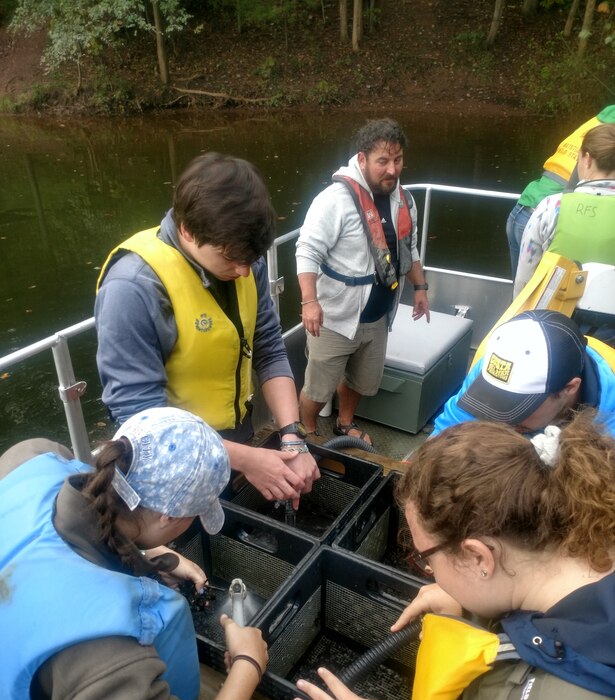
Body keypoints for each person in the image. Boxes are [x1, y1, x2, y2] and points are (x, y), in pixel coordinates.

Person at [294, 411, 615, 700]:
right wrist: (475, 609)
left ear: (479, 555)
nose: (430, 574)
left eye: (426, 559)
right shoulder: (593, 536)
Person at [0, 407, 269, 700]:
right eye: (194, 515)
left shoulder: (31, 457)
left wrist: (142, 551)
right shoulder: (107, 664)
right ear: (169, 518)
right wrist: (246, 669)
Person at [95, 152, 319, 506]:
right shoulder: (133, 288)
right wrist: (249, 461)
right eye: (231, 259)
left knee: (228, 520)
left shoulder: (245, 260)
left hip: (234, 436)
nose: (245, 272)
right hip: (168, 464)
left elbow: (269, 347)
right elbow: (141, 420)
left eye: (251, 260)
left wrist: (292, 437)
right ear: (187, 230)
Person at [296, 118, 430, 445]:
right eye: (382, 161)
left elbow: (408, 248)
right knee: (318, 385)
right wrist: (309, 302)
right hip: (335, 316)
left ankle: (344, 422)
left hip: (379, 315)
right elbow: (307, 250)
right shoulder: (334, 200)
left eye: (397, 160)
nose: (392, 169)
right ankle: (307, 431)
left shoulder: (405, 200)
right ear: (362, 159)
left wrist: (421, 288)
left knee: (361, 381)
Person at [432, 309, 615, 437]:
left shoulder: (610, 411)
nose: (500, 420)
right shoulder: (496, 365)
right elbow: (449, 430)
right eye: (495, 398)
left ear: (569, 388)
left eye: (517, 405)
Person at [506, 104, 615, 277]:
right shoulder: (609, 137)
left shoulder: (603, 118)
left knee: (526, 293)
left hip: (525, 207)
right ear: (587, 159)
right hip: (549, 217)